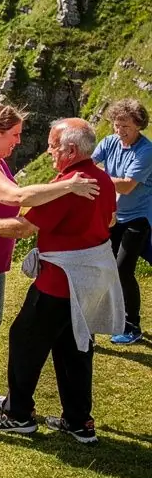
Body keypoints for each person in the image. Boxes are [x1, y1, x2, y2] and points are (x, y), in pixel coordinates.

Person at [0, 104, 101, 433]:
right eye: (14, 135)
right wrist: (68, 185)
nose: (18, 141)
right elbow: (18, 195)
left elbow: (24, 202)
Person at [0, 119, 120, 445]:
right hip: (90, 282)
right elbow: (110, 219)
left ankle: (18, 415)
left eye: (53, 145)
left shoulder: (70, 186)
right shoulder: (103, 180)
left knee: (24, 339)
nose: (49, 150)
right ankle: (79, 421)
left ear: (71, 150)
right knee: (75, 346)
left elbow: (23, 227)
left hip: (59, 283)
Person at [93, 98, 152, 344]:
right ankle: (103, 320)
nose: (120, 131)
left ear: (139, 126)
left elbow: (127, 186)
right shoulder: (109, 142)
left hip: (138, 217)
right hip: (113, 216)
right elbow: (89, 164)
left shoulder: (146, 151)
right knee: (104, 268)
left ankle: (132, 326)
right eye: (116, 125)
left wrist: (96, 178)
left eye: (125, 126)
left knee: (122, 270)